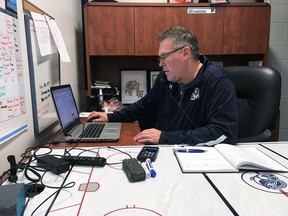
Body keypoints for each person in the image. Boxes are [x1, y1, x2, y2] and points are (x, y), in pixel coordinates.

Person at [87, 26, 238, 145]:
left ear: (186, 53)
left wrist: (165, 137)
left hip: (196, 159)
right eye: (160, 58)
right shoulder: (166, 78)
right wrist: (111, 116)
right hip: (166, 152)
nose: (160, 63)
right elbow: (145, 105)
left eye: (164, 56)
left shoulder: (217, 81)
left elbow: (223, 133)